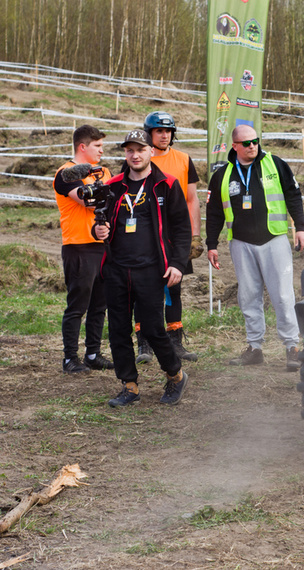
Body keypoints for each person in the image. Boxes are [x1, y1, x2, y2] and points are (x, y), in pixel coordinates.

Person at [92, 129, 191, 407]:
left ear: (151, 151)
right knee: (119, 329)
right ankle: (130, 385)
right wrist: (98, 230)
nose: (135, 155)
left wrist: (177, 264)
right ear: (125, 153)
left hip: (151, 270)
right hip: (116, 268)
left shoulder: (166, 184)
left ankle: (175, 375)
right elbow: (100, 222)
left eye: (140, 150)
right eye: (129, 150)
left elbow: (183, 229)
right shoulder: (112, 186)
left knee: (152, 328)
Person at [205, 125, 304, 370]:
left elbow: (294, 195)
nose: (252, 146)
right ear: (235, 146)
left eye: (255, 141)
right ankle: (255, 347)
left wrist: (301, 227)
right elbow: (214, 212)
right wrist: (211, 244)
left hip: (274, 239)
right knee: (248, 296)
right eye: (246, 143)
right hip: (240, 242)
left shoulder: (275, 163)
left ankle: (292, 347)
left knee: (283, 295)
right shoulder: (222, 174)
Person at [131, 111, 204, 364]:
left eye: (168, 131)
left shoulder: (184, 159)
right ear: (149, 133)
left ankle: (175, 341)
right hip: (144, 235)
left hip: (175, 236)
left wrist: (195, 235)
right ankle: (144, 343)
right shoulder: (139, 159)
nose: (164, 135)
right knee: (142, 289)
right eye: (159, 131)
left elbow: (191, 199)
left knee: (174, 288)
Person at [53, 125, 114, 374]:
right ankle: (70, 358)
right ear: (83, 146)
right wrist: (106, 190)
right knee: (77, 305)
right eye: (97, 146)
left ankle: (92, 354)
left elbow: (113, 201)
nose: (101, 151)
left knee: (100, 304)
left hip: (104, 246)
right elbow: (88, 200)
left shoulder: (105, 171)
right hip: (78, 247)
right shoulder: (65, 174)